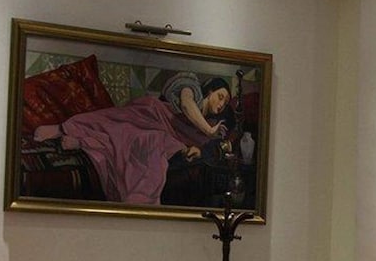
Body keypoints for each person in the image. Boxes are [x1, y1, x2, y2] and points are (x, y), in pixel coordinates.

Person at [32, 72, 237, 204]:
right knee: (119, 122)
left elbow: (202, 147)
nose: (221, 104)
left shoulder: (210, 126)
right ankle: (65, 128)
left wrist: (203, 144)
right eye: (220, 96)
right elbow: (186, 105)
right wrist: (208, 131)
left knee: (148, 139)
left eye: (225, 102)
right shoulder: (191, 88)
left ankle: (85, 142)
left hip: (162, 133)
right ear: (209, 90)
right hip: (151, 114)